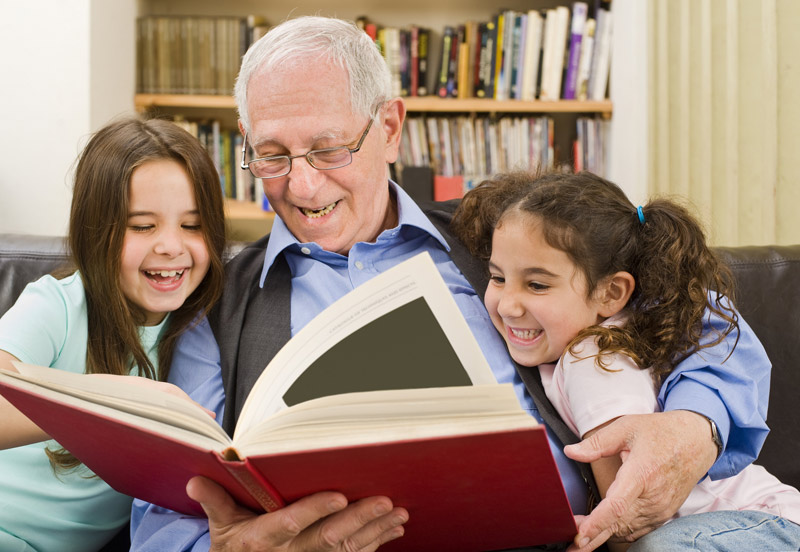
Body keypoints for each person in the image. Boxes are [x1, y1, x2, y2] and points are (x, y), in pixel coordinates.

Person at [130, 16, 772, 552]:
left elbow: (703, 319)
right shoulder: (213, 306)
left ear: (388, 128)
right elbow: (162, 518)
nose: (300, 186)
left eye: (329, 150)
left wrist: (696, 426)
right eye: (271, 154)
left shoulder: (505, 232)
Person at [452, 170, 800, 551]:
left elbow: (629, 514)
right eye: (497, 277)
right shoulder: (612, 330)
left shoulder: (592, 358)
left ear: (611, 292)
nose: (507, 304)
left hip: (762, 522)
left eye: (537, 284)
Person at [0, 117, 226, 552]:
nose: (171, 246)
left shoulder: (207, 332)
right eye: (142, 226)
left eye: (192, 225)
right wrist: (114, 401)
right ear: (95, 231)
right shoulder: (60, 304)